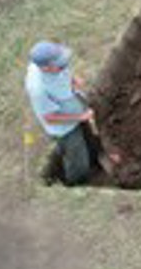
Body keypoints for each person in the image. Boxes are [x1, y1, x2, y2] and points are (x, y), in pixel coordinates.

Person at [24, 41, 97, 186]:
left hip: (75, 109)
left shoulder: (56, 64)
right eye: (59, 64)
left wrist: (73, 79)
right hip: (65, 129)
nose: (63, 64)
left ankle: (92, 159)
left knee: (89, 141)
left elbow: (64, 68)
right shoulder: (38, 89)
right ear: (45, 68)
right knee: (78, 162)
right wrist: (80, 117)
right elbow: (50, 118)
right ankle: (77, 183)